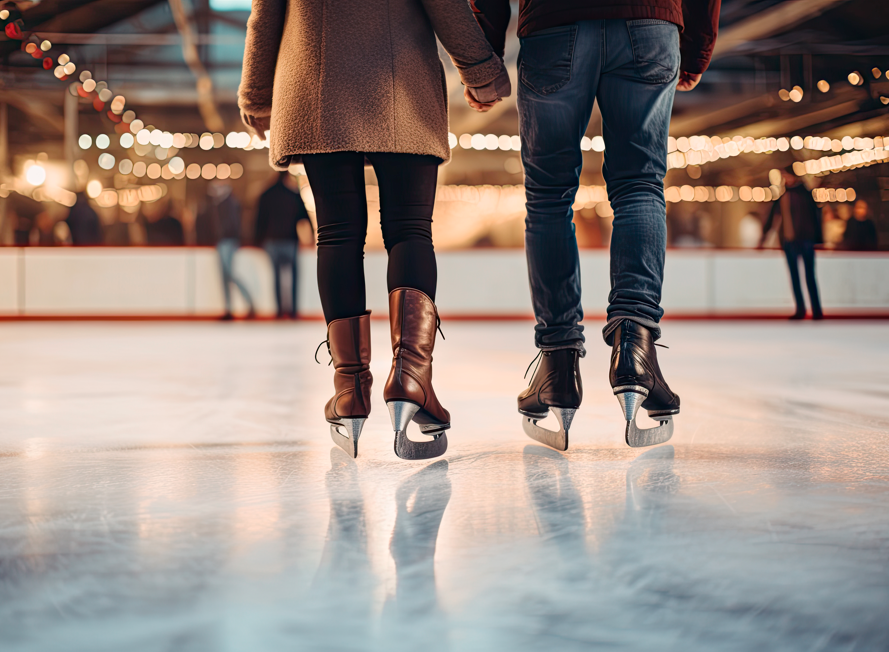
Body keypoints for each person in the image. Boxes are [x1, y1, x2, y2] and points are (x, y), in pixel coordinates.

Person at [240, 0, 509, 460]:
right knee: (409, 230)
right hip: (400, 81)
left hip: (316, 80)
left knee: (337, 233)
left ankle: (349, 390)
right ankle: (411, 377)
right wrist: (481, 71)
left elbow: (265, 13)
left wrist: (257, 94)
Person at [469, 0, 720, 449]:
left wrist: (484, 53)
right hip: (649, 22)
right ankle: (635, 349)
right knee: (640, 185)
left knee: (548, 197)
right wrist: (696, 42)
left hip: (555, 25)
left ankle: (558, 364)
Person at [759, 167, 823, 320]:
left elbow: (815, 217)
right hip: (790, 242)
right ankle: (800, 309)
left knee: (809, 276)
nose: (785, 179)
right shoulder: (784, 196)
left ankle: (816, 310)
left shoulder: (805, 195)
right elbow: (771, 219)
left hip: (805, 240)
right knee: (795, 277)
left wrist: (818, 239)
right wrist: (763, 238)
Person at [254, 172, 314, 319]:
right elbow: (304, 216)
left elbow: (259, 219)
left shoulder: (266, 194)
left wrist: (257, 240)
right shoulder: (292, 194)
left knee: (276, 277)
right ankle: (293, 311)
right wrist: (311, 236)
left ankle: (280, 311)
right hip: (290, 240)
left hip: (272, 241)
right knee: (294, 276)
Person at [201, 181, 255, 320]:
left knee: (229, 274)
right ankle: (229, 309)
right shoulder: (220, 204)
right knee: (224, 277)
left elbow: (232, 224)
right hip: (223, 241)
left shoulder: (228, 203)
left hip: (227, 241)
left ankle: (248, 303)